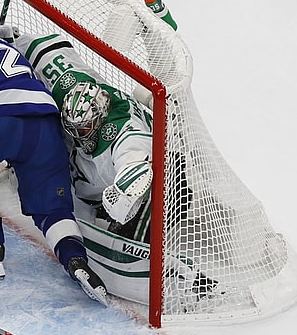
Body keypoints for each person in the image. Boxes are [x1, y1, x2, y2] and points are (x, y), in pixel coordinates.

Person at [12, 31, 216, 306]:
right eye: (73, 127)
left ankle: (193, 284)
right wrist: (8, 38)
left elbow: (137, 167)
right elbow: (44, 48)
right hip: (102, 186)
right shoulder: (70, 89)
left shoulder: (125, 135)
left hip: (165, 177)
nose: (77, 134)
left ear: (100, 116)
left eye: (83, 128)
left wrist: (120, 195)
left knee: (134, 236)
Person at [0, 14, 108, 305]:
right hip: (46, 122)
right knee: (52, 210)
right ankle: (75, 261)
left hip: (3, 122)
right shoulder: (8, 47)